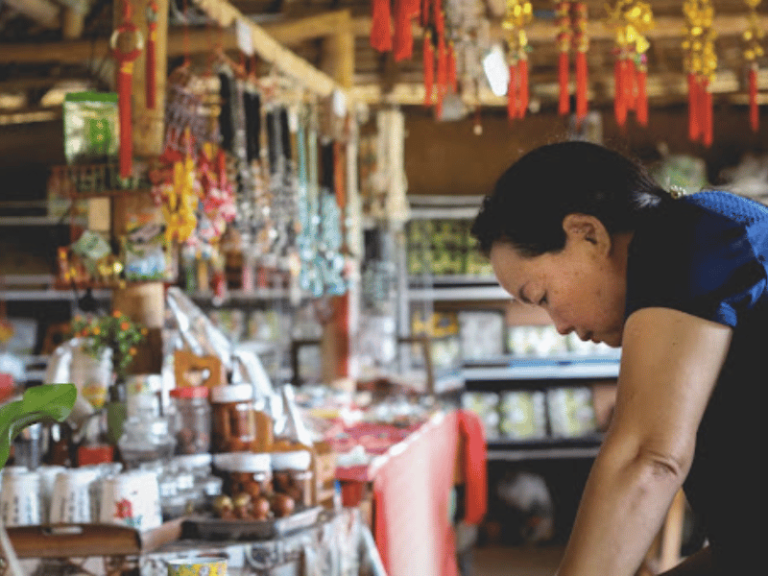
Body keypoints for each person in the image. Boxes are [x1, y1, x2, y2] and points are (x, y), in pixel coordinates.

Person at [471, 141, 768, 576]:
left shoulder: (689, 234)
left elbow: (649, 459)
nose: (559, 325)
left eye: (543, 297)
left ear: (588, 234)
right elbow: (745, 546)